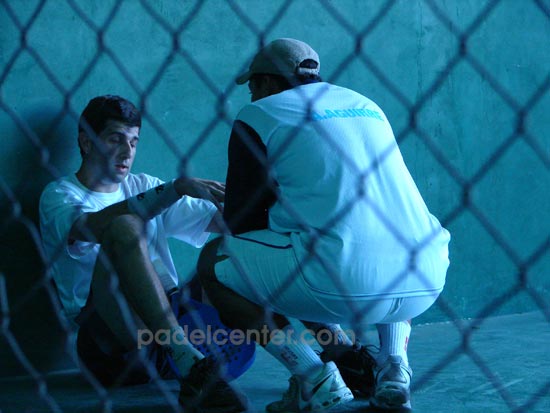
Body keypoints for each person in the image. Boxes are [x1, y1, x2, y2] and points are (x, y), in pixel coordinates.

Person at [197, 38, 451, 411]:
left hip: (341, 278)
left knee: (214, 263)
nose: (251, 95)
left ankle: (313, 377)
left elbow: (243, 220)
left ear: (266, 82)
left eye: (253, 86)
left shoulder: (260, 113)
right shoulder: (366, 105)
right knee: (370, 238)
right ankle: (394, 367)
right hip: (427, 273)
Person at [39, 95, 247, 412]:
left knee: (227, 246)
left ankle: (312, 363)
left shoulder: (143, 185)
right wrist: (173, 189)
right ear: (86, 142)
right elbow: (89, 227)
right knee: (124, 226)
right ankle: (187, 360)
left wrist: (262, 198)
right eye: (115, 140)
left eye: (134, 142)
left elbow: (223, 221)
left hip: (173, 323)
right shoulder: (59, 195)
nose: (127, 152)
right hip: (116, 346)